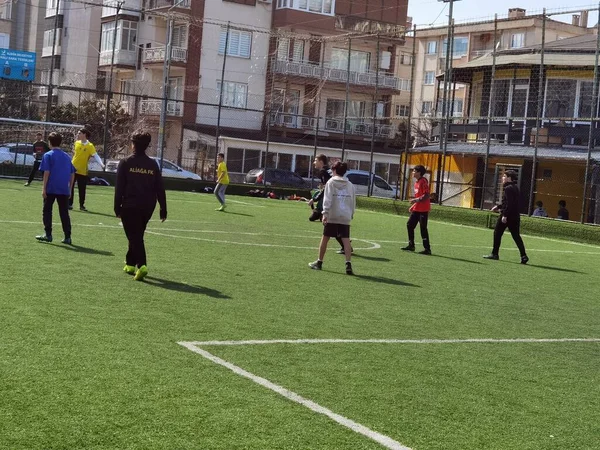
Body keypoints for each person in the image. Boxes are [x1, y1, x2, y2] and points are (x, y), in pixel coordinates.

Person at [114, 130, 167, 281]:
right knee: (137, 234)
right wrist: (163, 208)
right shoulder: (153, 164)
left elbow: (119, 187)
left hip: (130, 205)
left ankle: (142, 265)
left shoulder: (125, 163)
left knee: (134, 236)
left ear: (132, 145)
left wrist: (117, 207)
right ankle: (130, 264)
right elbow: (160, 187)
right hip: (148, 206)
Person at [308, 161, 356, 275]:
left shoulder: (331, 182)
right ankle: (348, 264)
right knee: (346, 240)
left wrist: (325, 213)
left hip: (333, 215)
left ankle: (319, 262)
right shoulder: (350, 185)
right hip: (345, 215)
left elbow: (327, 199)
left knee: (325, 238)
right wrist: (351, 213)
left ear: (334, 170)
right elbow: (353, 201)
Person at [35, 132, 76, 244]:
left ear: (49, 142)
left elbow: (46, 172)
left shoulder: (48, 155)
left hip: (51, 188)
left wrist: (44, 188)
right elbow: (72, 173)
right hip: (63, 189)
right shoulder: (67, 157)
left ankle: (48, 234)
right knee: (64, 212)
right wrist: (70, 188)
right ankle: (67, 237)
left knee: (47, 210)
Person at [484, 170, 529, 264]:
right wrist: (499, 206)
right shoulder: (515, 187)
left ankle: (494, 254)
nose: (502, 178)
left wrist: (505, 215)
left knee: (497, 233)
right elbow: (509, 202)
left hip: (508, 215)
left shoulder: (508, 188)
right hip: (515, 216)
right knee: (516, 236)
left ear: (509, 178)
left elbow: (509, 203)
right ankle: (523, 256)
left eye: (504, 176)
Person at [308, 154, 348, 254]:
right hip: (338, 201)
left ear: (321, 162)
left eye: (316, 160)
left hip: (333, 202)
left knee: (330, 226)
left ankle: (346, 246)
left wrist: (315, 199)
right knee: (332, 226)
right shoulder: (327, 171)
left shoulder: (323, 172)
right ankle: (345, 245)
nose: (314, 162)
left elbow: (326, 189)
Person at [70, 128, 105, 211]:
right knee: (70, 187)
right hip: (73, 169)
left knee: (82, 188)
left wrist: (101, 164)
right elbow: (75, 155)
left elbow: (95, 155)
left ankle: (81, 205)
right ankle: (69, 204)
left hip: (82, 171)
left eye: (79, 133)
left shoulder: (90, 146)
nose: (78, 135)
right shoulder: (76, 143)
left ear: (84, 134)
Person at [401, 165, 432, 255]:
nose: (413, 172)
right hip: (417, 208)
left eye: (414, 171)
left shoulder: (423, 181)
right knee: (409, 225)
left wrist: (416, 200)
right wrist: (414, 205)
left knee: (423, 228)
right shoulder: (416, 183)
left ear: (419, 172)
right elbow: (418, 197)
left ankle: (427, 249)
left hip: (423, 209)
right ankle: (411, 245)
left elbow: (426, 195)